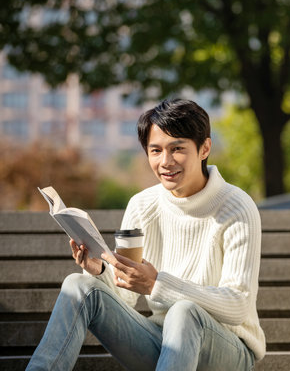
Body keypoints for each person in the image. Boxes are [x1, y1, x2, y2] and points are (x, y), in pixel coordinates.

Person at [27, 98, 265, 370]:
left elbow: (238, 306)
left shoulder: (236, 206)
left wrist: (157, 284)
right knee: (77, 286)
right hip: (163, 344)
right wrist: (100, 272)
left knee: (184, 312)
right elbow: (126, 297)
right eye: (155, 150)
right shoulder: (142, 206)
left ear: (204, 148)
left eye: (177, 149)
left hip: (228, 350)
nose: (165, 161)